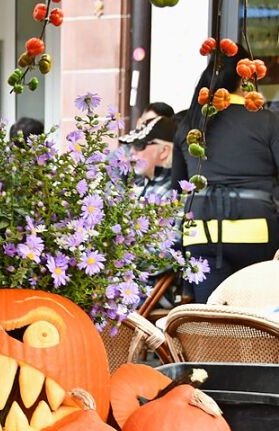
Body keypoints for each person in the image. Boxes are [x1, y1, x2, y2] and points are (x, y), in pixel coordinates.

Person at [172, 46, 279, 302]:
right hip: (255, 231)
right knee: (256, 319)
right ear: (244, 78)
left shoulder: (191, 123)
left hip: (200, 233)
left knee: (212, 319)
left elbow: (177, 188)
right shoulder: (267, 121)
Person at [119, 115, 178, 200]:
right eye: (132, 145)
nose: (132, 151)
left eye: (139, 145)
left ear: (164, 151)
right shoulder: (151, 183)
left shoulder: (168, 193)